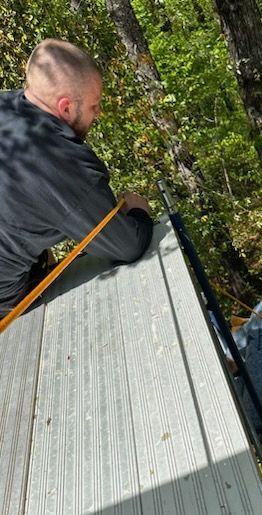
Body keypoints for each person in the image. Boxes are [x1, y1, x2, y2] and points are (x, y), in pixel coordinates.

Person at [0, 39, 154, 315]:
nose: (99, 113)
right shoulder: (60, 163)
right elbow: (127, 245)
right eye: (94, 105)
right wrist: (139, 212)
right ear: (66, 107)